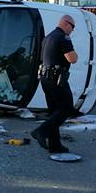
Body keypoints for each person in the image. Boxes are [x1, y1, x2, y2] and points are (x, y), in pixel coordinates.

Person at [30, 15, 80, 161]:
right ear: (65, 23)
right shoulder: (63, 37)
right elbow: (73, 58)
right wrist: (75, 52)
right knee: (66, 108)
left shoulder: (48, 37)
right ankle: (41, 131)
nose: (72, 30)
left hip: (45, 78)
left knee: (54, 111)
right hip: (56, 79)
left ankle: (55, 145)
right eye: (72, 26)